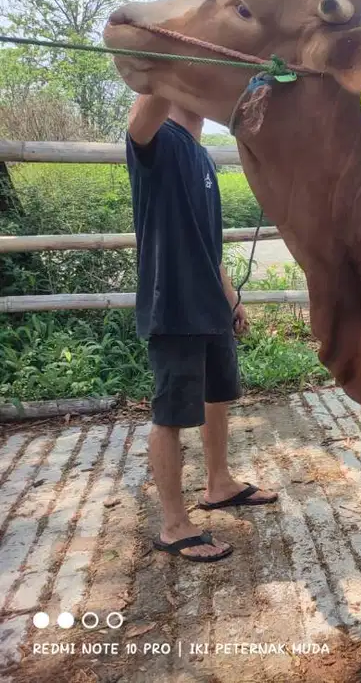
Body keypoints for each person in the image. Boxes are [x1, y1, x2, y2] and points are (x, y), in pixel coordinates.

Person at [126, 94, 278, 562]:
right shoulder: (153, 141)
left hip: (210, 304)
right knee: (170, 415)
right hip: (173, 304)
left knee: (218, 396)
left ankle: (219, 483)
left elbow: (208, 244)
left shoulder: (201, 153)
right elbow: (140, 116)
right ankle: (174, 526)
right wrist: (176, 61)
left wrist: (231, 298)